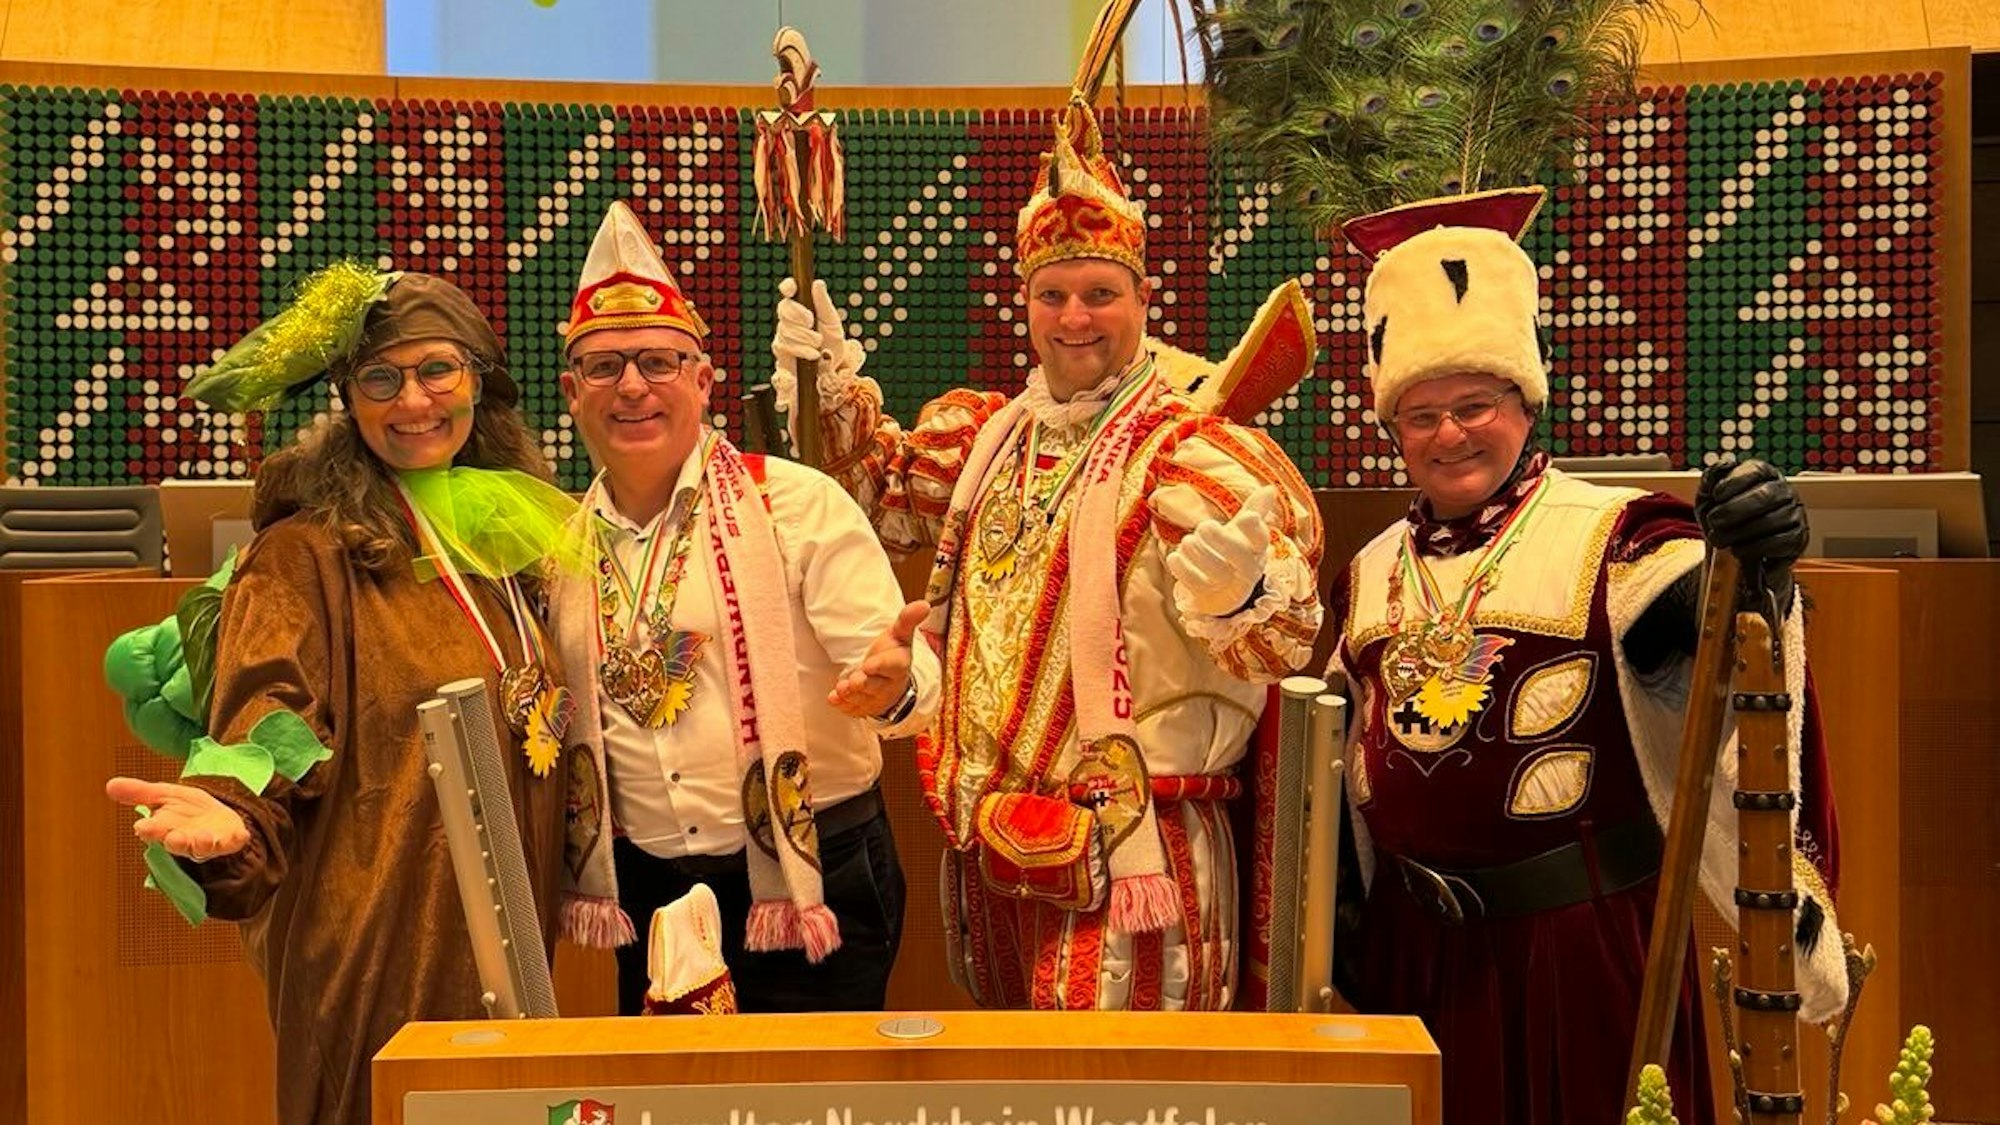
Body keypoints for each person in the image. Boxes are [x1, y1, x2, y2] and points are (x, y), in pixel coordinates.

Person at [770, 99, 1324, 1011]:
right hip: (991, 853)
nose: (1076, 317)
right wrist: (821, 384)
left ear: (1145, 300)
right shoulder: (990, 436)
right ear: (1022, 301)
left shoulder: (1195, 451)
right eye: (1053, 294)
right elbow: (872, 491)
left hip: (1139, 861)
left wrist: (1248, 590)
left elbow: (1280, 645)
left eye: (1101, 293)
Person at [1321, 189, 1847, 1125]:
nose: (1450, 434)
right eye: (1421, 414)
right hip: (1414, 965)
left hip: (1581, 955)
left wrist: (1754, 559)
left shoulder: (1616, 534)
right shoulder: (1366, 575)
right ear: (1392, 427)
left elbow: (1728, 642)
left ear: (1524, 401)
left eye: (1474, 404)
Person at [102, 267, 578, 1125]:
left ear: (481, 379)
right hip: (375, 932)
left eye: (437, 369)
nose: (414, 401)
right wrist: (230, 814)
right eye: (381, 378)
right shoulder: (304, 554)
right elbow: (267, 713)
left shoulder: (510, 537)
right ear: (348, 401)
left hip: (507, 925)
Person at [550, 202, 941, 1015]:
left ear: (702, 380)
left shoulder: (796, 504)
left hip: (813, 879)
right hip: (651, 897)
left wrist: (892, 689)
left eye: (658, 362)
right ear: (571, 391)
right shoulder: (560, 544)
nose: (631, 386)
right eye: (604, 365)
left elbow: (909, 684)